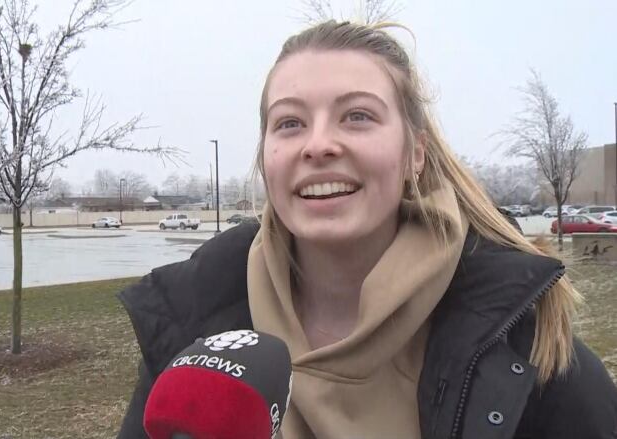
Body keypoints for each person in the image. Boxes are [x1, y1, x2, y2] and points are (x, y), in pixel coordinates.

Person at [117, 20, 617, 438]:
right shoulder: (192, 326)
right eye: (289, 123)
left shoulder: (524, 348)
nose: (318, 145)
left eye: (357, 116)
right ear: (266, 156)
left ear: (414, 155)